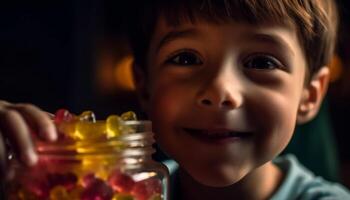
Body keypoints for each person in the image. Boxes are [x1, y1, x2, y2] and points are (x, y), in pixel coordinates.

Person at [1, 0, 350, 199]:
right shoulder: (117, 191)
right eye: (185, 58)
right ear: (144, 86)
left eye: (261, 62)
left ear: (310, 95)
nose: (220, 92)